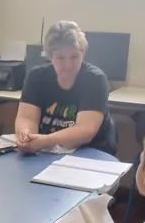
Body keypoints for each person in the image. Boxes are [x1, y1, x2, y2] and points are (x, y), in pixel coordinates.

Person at [14, 21, 117, 155]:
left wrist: (44, 141)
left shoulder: (95, 79)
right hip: (48, 152)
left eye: (74, 56)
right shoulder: (37, 77)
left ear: (83, 53)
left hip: (90, 153)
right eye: (61, 58)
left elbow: (85, 130)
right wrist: (26, 134)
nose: (68, 65)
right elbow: (27, 118)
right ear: (51, 56)